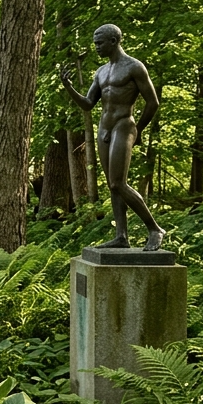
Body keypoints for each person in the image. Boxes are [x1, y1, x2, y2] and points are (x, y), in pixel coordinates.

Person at [60, 24, 167, 251]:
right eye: (95, 43)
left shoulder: (134, 67)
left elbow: (153, 102)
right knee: (112, 185)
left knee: (118, 182)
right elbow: (88, 104)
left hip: (124, 125)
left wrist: (138, 129)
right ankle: (121, 236)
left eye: (100, 43)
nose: (96, 47)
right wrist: (69, 87)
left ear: (114, 41)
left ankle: (154, 229)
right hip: (104, 129)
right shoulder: (101, 72)